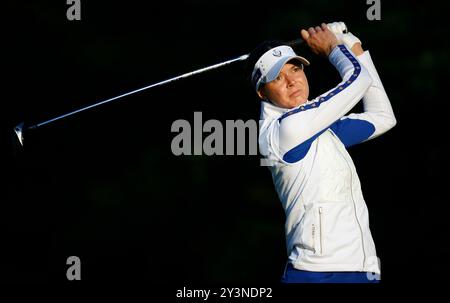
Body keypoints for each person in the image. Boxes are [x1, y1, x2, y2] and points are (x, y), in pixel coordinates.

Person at [247, 22, 396, 283]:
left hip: (361, 269)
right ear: (262, 92)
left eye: (295, 69)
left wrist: (353, 45)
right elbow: (359, 80)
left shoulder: (319, 129)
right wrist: (333, 47)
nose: (292, 81)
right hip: (318, 274)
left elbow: (383, 117)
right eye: (277, 77)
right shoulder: (286, 130)